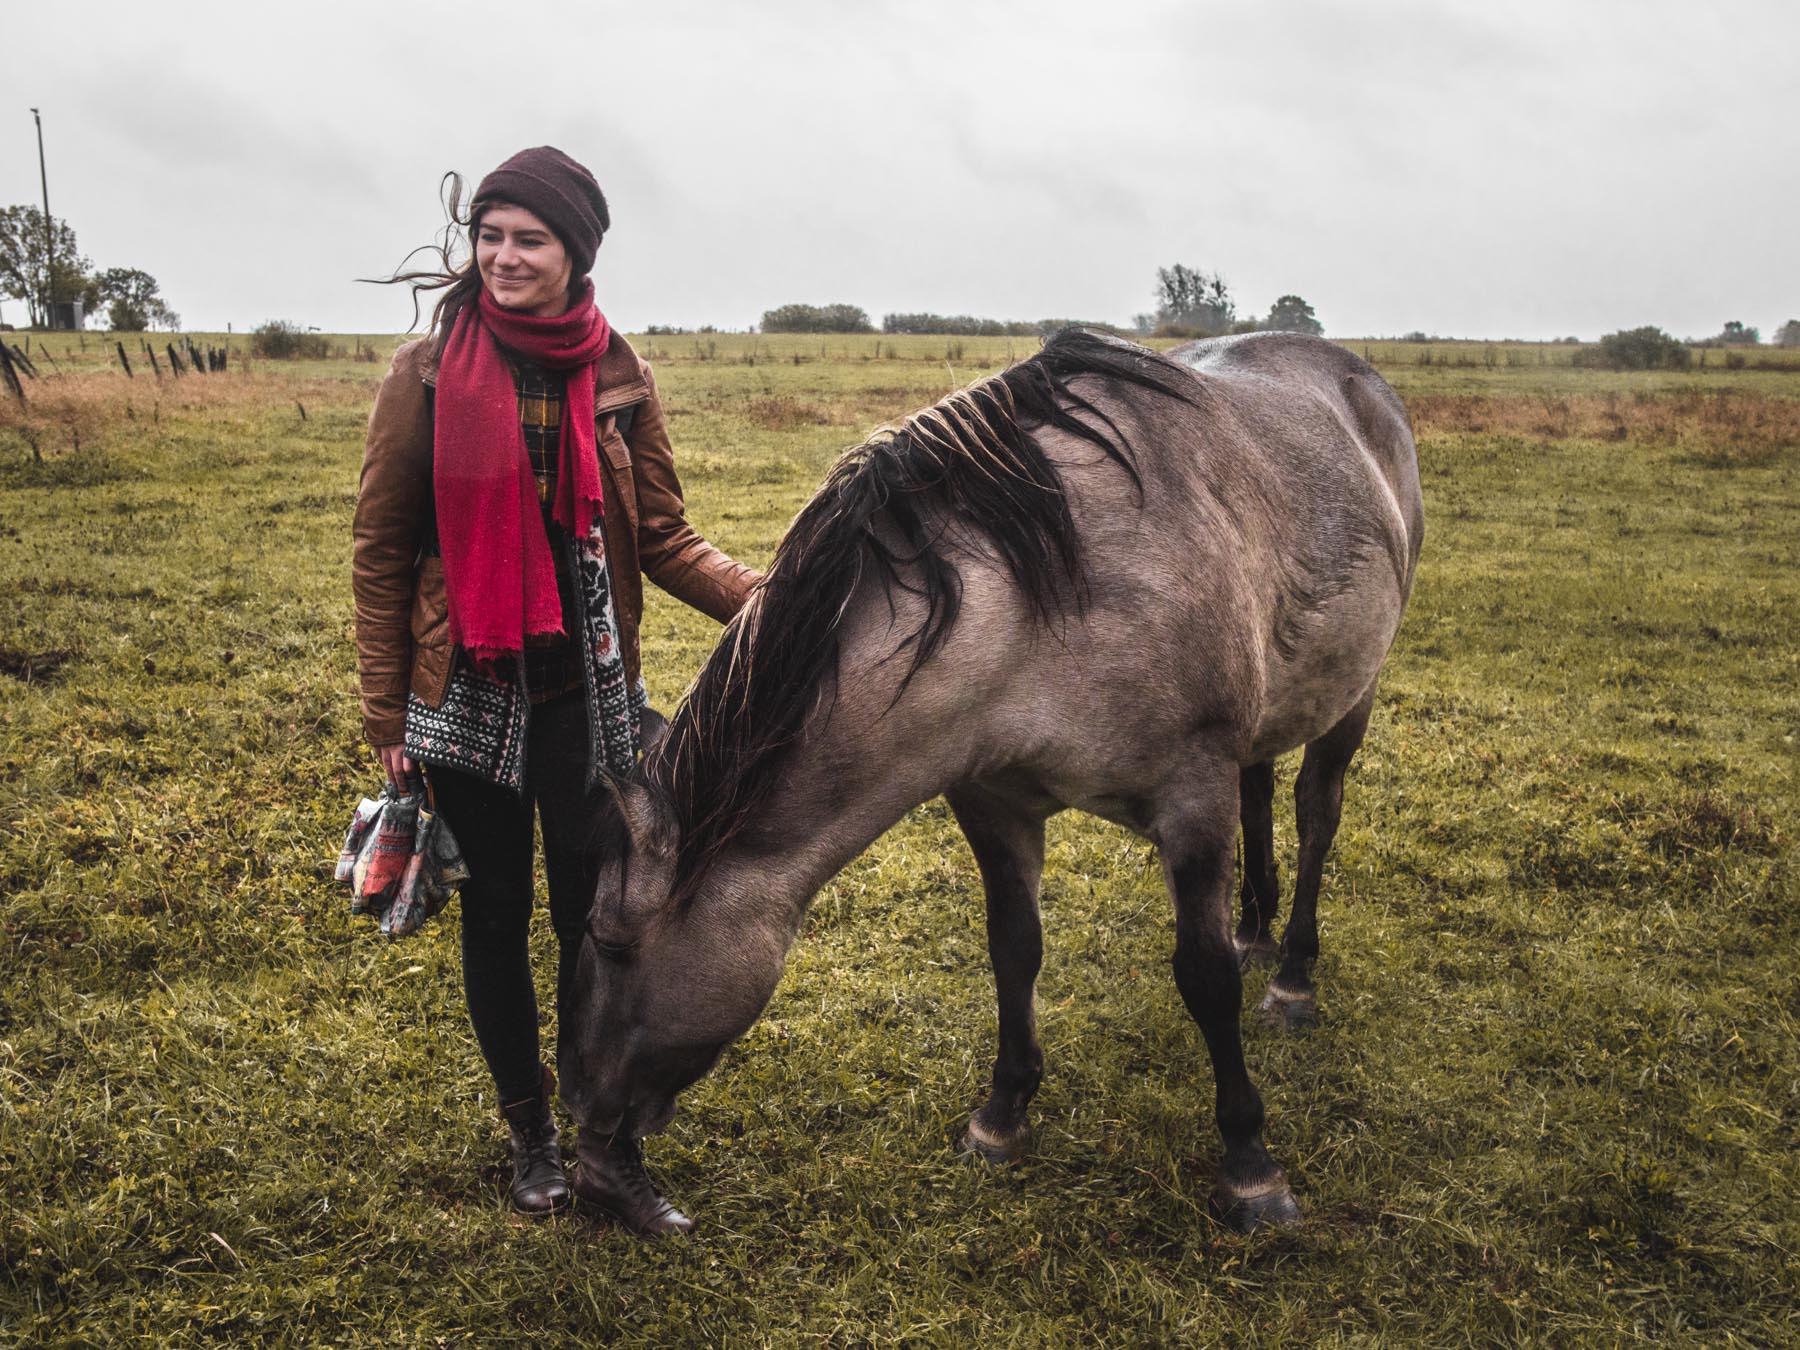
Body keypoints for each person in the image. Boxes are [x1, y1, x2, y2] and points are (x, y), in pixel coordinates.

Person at [354, 146, 757, 1234]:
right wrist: (387, 713)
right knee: (496, 912)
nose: (503, 257)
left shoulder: (617, 374)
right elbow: (382, 550)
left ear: (576, 252)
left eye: (528, 239)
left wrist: (767, 602)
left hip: (589, 689)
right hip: (466, 685)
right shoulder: (426, 373)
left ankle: (604, 1140)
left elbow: (664, 535)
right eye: (489, 236)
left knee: (594, 918)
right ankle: (529, 1135)